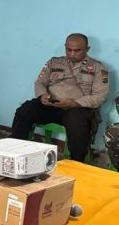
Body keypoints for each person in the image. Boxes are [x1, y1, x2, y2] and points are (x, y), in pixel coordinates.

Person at [10, 33, 108, 162]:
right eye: (69, 49)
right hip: (51, 105)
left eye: (77, 50)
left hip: (77, 109)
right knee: (25, 110)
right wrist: (42, 95)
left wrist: (76, 103)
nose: (72, 53)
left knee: (77, 124)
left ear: (87, 49)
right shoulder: (54, 62)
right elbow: (40, 82)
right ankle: (13, 152)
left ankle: (76, 163)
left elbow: (99, 96)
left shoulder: (97, 68)